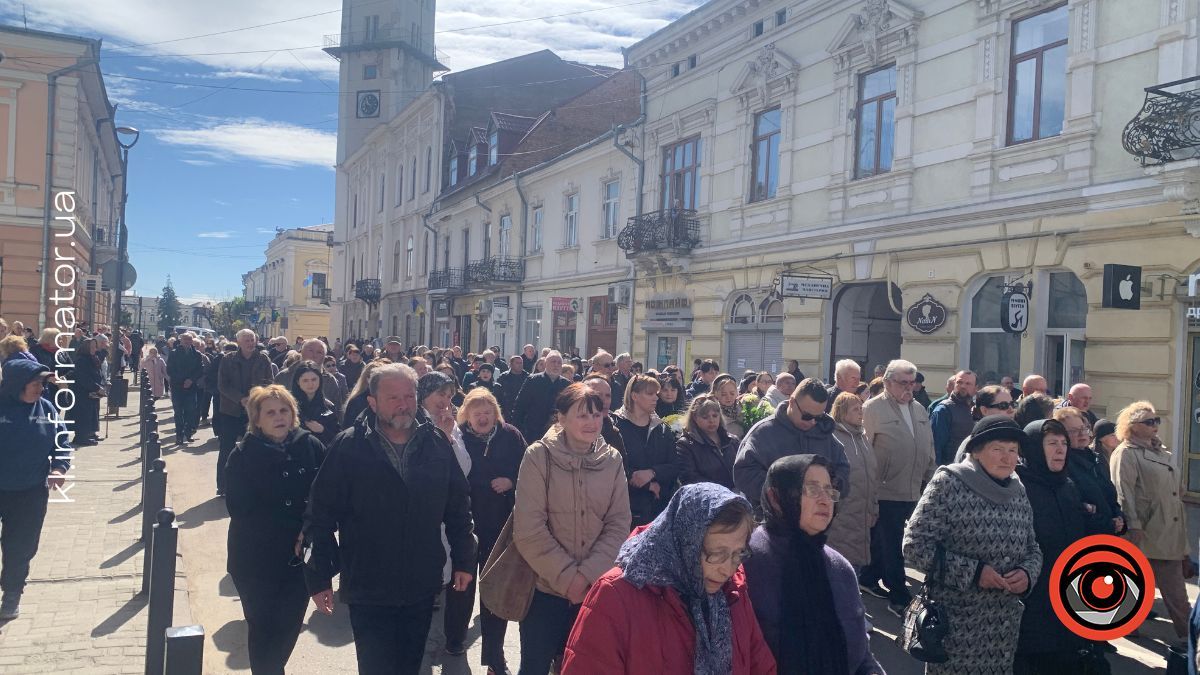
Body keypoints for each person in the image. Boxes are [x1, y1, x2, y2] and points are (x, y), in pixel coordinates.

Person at [302, 364, 476, 674]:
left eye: (409, 396)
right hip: (369, 585)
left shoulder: (435, 443)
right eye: (393, 397)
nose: (403, 404)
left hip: (421, 582)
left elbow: (458, 506)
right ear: (373, 402)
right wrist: (318, 577)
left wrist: (464, 558)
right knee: (376, 667)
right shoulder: (349, 446)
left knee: (410, 665)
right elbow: (321, 514)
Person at [561, 484, 776, 674]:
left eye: (738, 554)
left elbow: (760, 664)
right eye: (716, 554)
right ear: (685, 542)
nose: (727, 569)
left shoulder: (733, 591)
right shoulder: (616, 595)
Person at [902, 415, 1042, 674]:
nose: (1007, 458)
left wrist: (1027, 574)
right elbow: (915, 546)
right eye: (997, 449)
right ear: (976, 452)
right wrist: (975, 572)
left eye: (1013, 451)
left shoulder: (1017, 489)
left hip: (1003, 627)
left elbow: (1033, 547)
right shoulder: (948, 483)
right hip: (956, 625)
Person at [513, 384, 631, 675]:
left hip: (595, 590)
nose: (591, 423)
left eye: (596, 415)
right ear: (561, 418)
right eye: (582, 415)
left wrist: (588, 575)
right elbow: (529, 528)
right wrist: (568, 579)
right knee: (534, 667)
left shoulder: (612, 460)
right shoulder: (538, 456)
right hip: (545, 589)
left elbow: (618, 523)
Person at [743, 455, 882, 674]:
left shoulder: (839, 566)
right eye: (812, 489)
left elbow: (861, 653)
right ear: (777, 498)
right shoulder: (748, 562)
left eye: (830, 490)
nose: (825, 500)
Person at [225, 385, 326, 675]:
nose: (278, 417)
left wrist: (309, 531)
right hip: (256, 560)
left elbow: (325, 495)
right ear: (257, 419)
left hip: (300, 560)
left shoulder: (310, 446)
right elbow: (241, 509)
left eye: (284, 411)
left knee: (289, 625)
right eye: (270, 412)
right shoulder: (243, 455)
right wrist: (289, 533)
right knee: (263, 628)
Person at [1014, 418, 1107, 673]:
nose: (1060, 449)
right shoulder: (1018, 487)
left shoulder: (1067, 485)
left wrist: (1094, 518)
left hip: (1069, 597)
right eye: (1052, 443)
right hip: (1033, 603)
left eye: (1064, 443)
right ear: (1033, 447)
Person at [444, 389, 525, 674]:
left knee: (493, 592)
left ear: (496, 413)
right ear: (466, 414)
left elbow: (529, 471)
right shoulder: (458, 437)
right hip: (464, 525)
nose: (483, 417)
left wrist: (511, 482)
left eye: (487, 412)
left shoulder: (511, 435)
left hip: (499, 526)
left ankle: (494, 656)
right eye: (476, 412)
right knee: (460, 586)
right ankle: (454, 639)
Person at [1110, 401, 1192, 647]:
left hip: (1169, 527)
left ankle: (1188, 635)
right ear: (1132, 427)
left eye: (1156, 420)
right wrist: (1133, 526)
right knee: (1146, 585)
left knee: (1168, 587)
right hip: (1146, 530)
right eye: (1149, 421)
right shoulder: (1126, 452)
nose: (1155, 425)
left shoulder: (1160, 450)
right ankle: (1190, 635)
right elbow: (1123, 492)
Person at [859, 359, 936, 615]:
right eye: (904, 382)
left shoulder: (919, 409)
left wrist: (931, 475)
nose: (909, 388)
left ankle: (868, 578)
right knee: (894, 543)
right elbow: (864, 450)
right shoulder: (872, 408)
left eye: (912, 382)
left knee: (886, 541)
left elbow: (928, 445)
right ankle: (899, 597)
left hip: (915, 487)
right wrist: (868, 490)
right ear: (888, 382)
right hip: (886, 489)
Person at [0, 360, 70, 620]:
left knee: (21, 546)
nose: (41, 388)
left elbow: (62, 442)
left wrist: (60, 468)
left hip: (30, 491)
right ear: (17, 385)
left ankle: (12, 594)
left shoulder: (47, 409)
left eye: (42, 383)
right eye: (35, 383)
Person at [734, 378, 848, 515]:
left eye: (818, 417)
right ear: (792, 402)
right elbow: (743, 474)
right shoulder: (763, 433)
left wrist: (828, 488)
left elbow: (843, 470)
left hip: (815, 524)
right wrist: (783, 494)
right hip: (774, 524)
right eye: (807, 416)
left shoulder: (825, 434)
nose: (812, 422)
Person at [614, 374, 681, 527]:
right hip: (627, 509)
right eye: (650, 394)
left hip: (659, 508)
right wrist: (645, 485)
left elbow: (675, 465)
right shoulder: (617, 426)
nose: (656, 398)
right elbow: (615, 466)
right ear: (634, 396)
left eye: (656, 394)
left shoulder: (662, 428)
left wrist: (653, 473)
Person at [216, 329, 274, 497]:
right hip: (231, 411)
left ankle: (254, 484)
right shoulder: (228, 360)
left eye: (252, 340)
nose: (250, 343)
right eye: (247, 340)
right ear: (239, 342)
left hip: (255, 411)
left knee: (256, 448)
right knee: (226, 449)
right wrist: (240, 399)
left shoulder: (263, 359)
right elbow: (222, 385)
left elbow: (269, 382)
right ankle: (223, 486)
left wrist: (256, 398)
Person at [827, 392, 879, 570]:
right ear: (842, 412)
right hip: (842, 516)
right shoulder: (833, 438)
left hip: (862, 514)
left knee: (856, 564)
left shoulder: (862, 437)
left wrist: (874, 507)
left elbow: (872, 475)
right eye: (855, 409)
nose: (861, 412)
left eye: (861, 408)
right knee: (842, 564)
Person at [1055, 407, 1124, 537]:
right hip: (1086, 541)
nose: (1082, 434)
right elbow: (1077, 508)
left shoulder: (1095, 459)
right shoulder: (1063, 464)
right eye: (1074, 431)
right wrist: (1109, 525)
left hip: (1109, 538)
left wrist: (1120, 518)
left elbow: (1110, 496)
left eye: (1083, 428)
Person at [675, 394, 738, 489]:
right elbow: (689, 478)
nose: (711, 420)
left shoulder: (732, 440)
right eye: (705, 417)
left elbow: (744, 469)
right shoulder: (685, 445)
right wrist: (721, 491)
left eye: (715, 416)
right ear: (695, 418)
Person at [274, 339, 345, 420]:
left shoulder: (330, 380)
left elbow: (338, 412)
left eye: (319, 352)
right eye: (310, 350)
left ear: (324, 357)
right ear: (301, 352)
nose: (314, 355)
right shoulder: (284, 376)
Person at [511, 350, 570, 444]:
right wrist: (517, 430)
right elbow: (519, 406)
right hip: (533, 432)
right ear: (545, 363)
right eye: (553, 362)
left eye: (559, 362)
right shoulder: (533, 380)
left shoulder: (566, 384)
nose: (556, 365)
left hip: (558, 434)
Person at [930, 370, 977, 465]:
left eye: (968, 383)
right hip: (949, 470)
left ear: (976, 388)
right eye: (960, 382)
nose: (963, 386)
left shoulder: (976, 409)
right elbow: (935, 447)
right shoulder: (943, 410)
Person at [288, 361, 340, 447]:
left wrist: (322, 430)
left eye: (314, 379)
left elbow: (337, 437)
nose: (310, 384)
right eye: (305, 380)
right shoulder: (289, 405)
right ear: (298, 382)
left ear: (320, 379)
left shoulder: (328, 407)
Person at [167, 332, 204, 444]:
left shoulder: (197, 354)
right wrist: (182, 380)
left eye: (189, 340)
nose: (187, 342)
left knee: (190, 411)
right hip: (177, 387)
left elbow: (200, 369)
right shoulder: (174, 353)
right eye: (185, 340)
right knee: (178, 412)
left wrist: (191, 380)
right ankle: (179, 435)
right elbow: (170, 370)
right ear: (181, 341)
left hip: (191, 387)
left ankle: (188, 433)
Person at [68, 337, 104, 446]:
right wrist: (97, 388)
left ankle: (90, 433)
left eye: (95, 346)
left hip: (92, 392)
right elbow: (83, 378)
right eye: (92, 347)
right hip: (82, 392)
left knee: (91, 413)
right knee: (83, 415)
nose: (94, 349)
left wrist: (102, 384)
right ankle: (81, 437)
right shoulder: (82, 360)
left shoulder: (93, 358)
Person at [712, 374, 744, 438]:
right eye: (724, 394)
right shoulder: (714, 412)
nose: (728, 397)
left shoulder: (743, 407)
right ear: (716, 394)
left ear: (736, 393)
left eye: (732, 393)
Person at [495, 355, 528, 419]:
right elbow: (498, 395)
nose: (520, 365)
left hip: (523, 412)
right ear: (511, 365)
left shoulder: (527, 377)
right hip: (506, 411)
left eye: (521, 363)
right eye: (517, 363)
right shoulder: (503, 377)